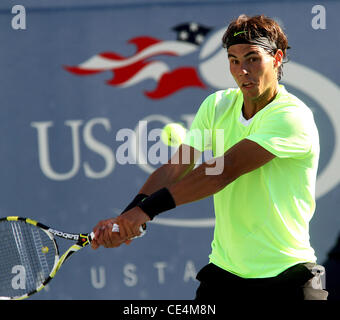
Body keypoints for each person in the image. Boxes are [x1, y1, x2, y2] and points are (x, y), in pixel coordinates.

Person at [91, 14, 328, 300]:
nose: (242, 70)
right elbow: (174, 169)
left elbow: (223, 171)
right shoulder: (216, 106)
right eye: (234, 60)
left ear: (277, 59)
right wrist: (126, 219)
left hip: (288, 277)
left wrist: (144, 212)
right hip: (224, 276)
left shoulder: (291, 117)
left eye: (253, 58)